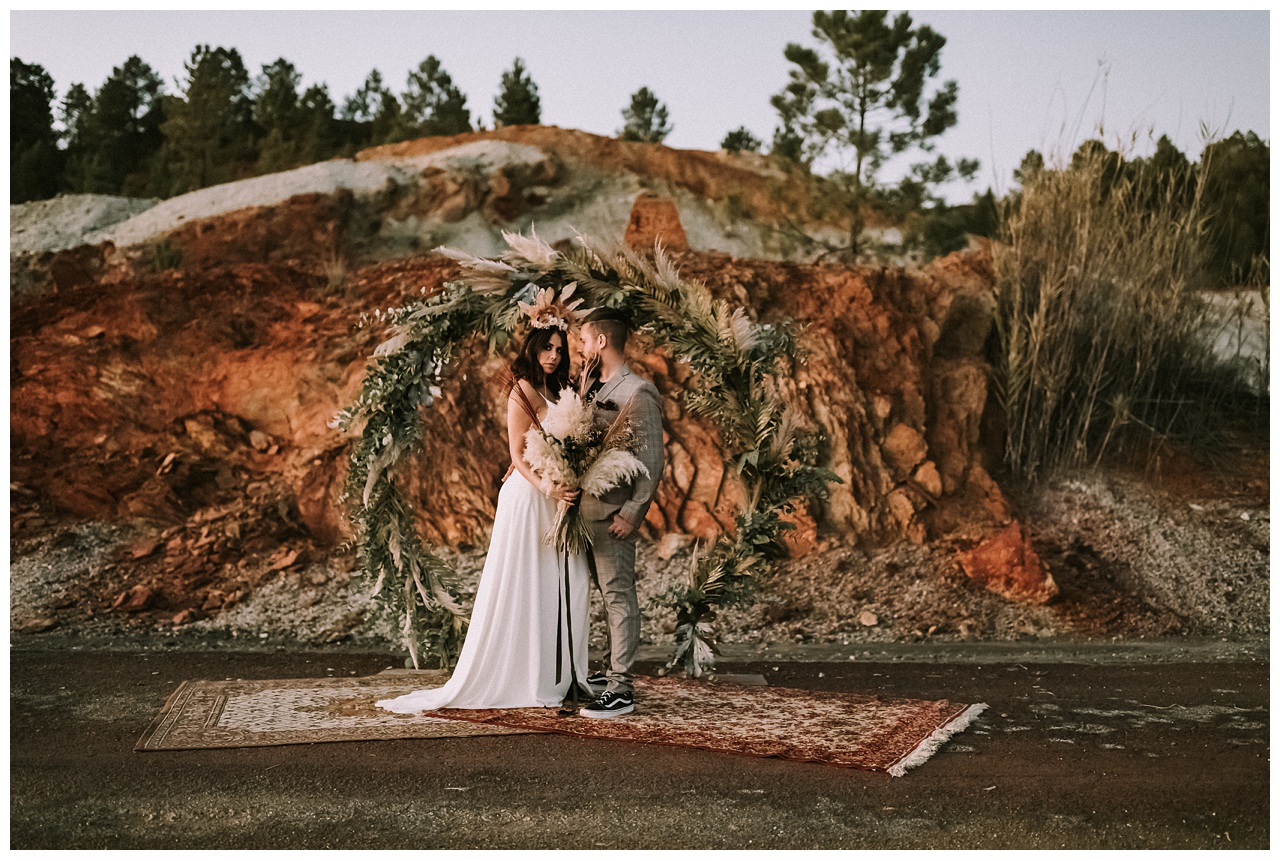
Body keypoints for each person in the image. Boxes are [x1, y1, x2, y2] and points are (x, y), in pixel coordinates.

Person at [376, 326, 593, 713]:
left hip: (557, 496)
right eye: (547, 347)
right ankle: (518, 674)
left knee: (560, 581)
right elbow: (516, 453)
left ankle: (557, 672)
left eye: (560, 349)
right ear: (533, 348)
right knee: (526, 580)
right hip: (531, 497)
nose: (554, 355)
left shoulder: (559, 391)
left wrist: (568, 477)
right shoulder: (522, 389)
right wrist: (549, 487)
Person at [576, 307, 665, 718]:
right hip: (583, 514)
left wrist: (632, 512)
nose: (580, 347)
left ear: (600, 341)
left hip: (613, 515)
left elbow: (652, 460)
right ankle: (608, 670)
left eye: (582, 339)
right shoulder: (592, 387)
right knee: (595, 596)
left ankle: (621, 687)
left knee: (618, 596)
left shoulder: (637, 391)